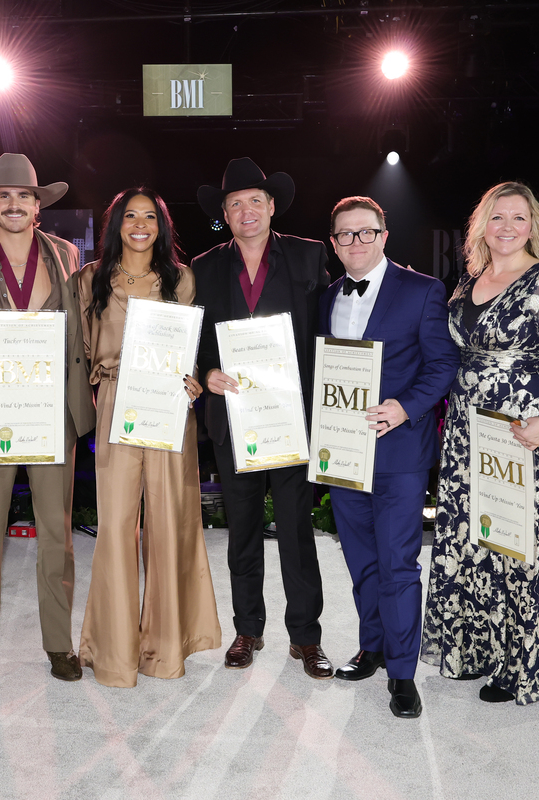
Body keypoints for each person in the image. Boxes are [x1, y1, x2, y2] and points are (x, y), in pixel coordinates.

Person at [421, 181, 539, 706]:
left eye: (518, 218)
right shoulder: (469, 281)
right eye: (497, 217)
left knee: (521, 546)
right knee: (477, 539)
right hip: (468, 432)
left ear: (533, 226)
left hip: (524, 434)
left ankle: (523, 661)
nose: (507, 227)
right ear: (481, 225)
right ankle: (477, 648)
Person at [0, 153, 96, 693]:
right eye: (3, 195)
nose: (13, 204)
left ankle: (59, 645)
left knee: (57, 535)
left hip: (52, 413)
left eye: (24, 196)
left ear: (37, 205)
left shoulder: (67, 254)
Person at [73, 188, 221, 687]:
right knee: (115, 527)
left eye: (149, 217)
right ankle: (113, 655)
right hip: (116, 402)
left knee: (168, 522)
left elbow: (190, 349)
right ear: (115, 223)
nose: (140, 224)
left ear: (162, 225)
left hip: (168, 406)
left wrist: (195, 379)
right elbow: (80, 354)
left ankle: (166, 650)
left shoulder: (181, 279)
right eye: (130, 216)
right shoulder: (89, 280)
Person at [318, 197, 457, 717]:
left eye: (365, 232)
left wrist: (407, 407)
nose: (355, 242)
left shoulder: (422, 291)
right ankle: (372, 648)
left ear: (384, 235)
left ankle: (402, 673)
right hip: (342, 451)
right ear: (333, 243)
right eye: (344, 235)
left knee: (398, 564)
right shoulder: (326, 296)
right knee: (360, 562)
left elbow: (442, 365)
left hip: (399, 452)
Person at [193, 157, 332, 678]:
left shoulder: (309, 255)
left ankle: (306, 637)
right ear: (224, 214)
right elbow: (196, 340)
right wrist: (206, 372)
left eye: (256, 200)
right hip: (233, 420)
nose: (246, 211)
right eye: (235, 204)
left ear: (272, 206)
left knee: (297, 532)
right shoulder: (204, 267)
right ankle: (247, 630)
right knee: (243, 531)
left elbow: (328, 330)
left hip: (290, 420)